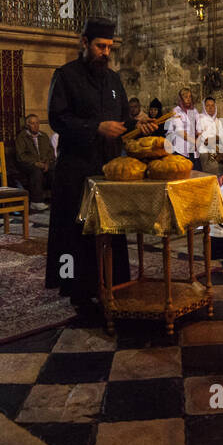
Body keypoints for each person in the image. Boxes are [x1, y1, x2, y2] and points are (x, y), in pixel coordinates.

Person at [45, 18, 158, 311]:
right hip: (76, 170)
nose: (105, 52)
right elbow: (58, 119)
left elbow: (121, 121)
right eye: (100, 46)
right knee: (79, 232)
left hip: (107, 168)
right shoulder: (65, 76)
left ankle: (112, 283)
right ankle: (79, 292)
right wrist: (96, 127)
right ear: (84, 43)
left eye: (109, 47)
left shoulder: (113, 80)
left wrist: (137, 125)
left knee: (109, 229)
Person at [13, 113, 55, 209]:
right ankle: (36, 201)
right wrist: (35, 162)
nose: (35, 126)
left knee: (55, 169)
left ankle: (57, 199)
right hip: (27, 164)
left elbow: (50, 151)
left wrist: (47, 162)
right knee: (36, 171)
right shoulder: (22, 137)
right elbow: (21, 155)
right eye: (32, 123)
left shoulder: (43, 136)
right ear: (27, 125)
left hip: (44, 163)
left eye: (37, 123)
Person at [165, 87, 200, 167]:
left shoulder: (194, 111)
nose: (188, 99)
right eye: (185, 97)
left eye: (189, 97)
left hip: (192, 149)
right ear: (181, 99)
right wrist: (195, 142)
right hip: (180, 150)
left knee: (197, 174)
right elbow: (180, 132)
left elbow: (199, 129)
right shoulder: (176, 111)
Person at [196, 96, 223, 174]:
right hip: (204, 153)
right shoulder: (200, 119)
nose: (210, 108)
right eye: (208, 106)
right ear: (204, 107)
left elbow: (221, 138)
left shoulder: (218, 121)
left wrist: (214, 140)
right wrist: (214, 139)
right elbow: (204, 140)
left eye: (212, 105)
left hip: (216, 153)